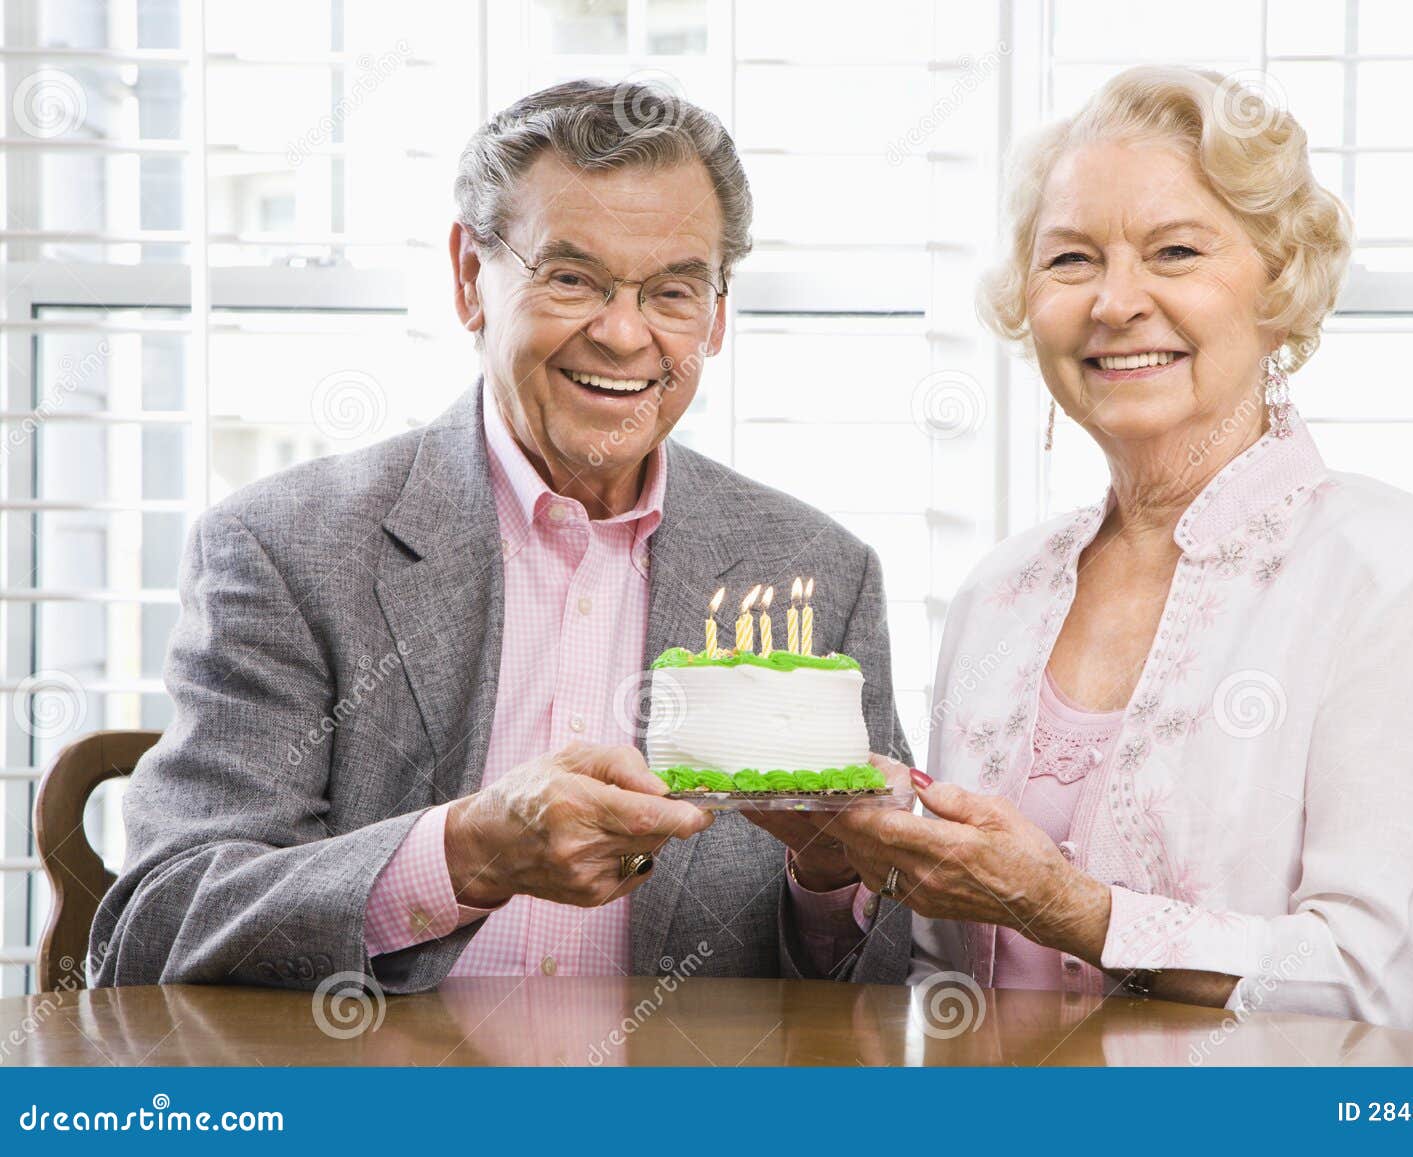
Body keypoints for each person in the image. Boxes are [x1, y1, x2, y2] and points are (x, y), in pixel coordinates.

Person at [91, 81, 909, 992]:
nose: (624, 333)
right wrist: (460, 856)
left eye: (673, 290)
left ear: (715, 314)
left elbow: (883, 977)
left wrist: (832, 877)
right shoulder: (286, 549)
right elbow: (158, 924)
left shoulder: (819, 575)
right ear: (469, 277)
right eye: (571, 278)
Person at [831, 65, 1413, 1057]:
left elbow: (1377, 985)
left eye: (1173, 251)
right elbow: (941, 982)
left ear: (1279, 287)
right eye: (1071, 259)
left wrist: (1070, 906)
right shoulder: (1001, 592)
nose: (1116, 302)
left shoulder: (1404, 577)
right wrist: (838, 865)